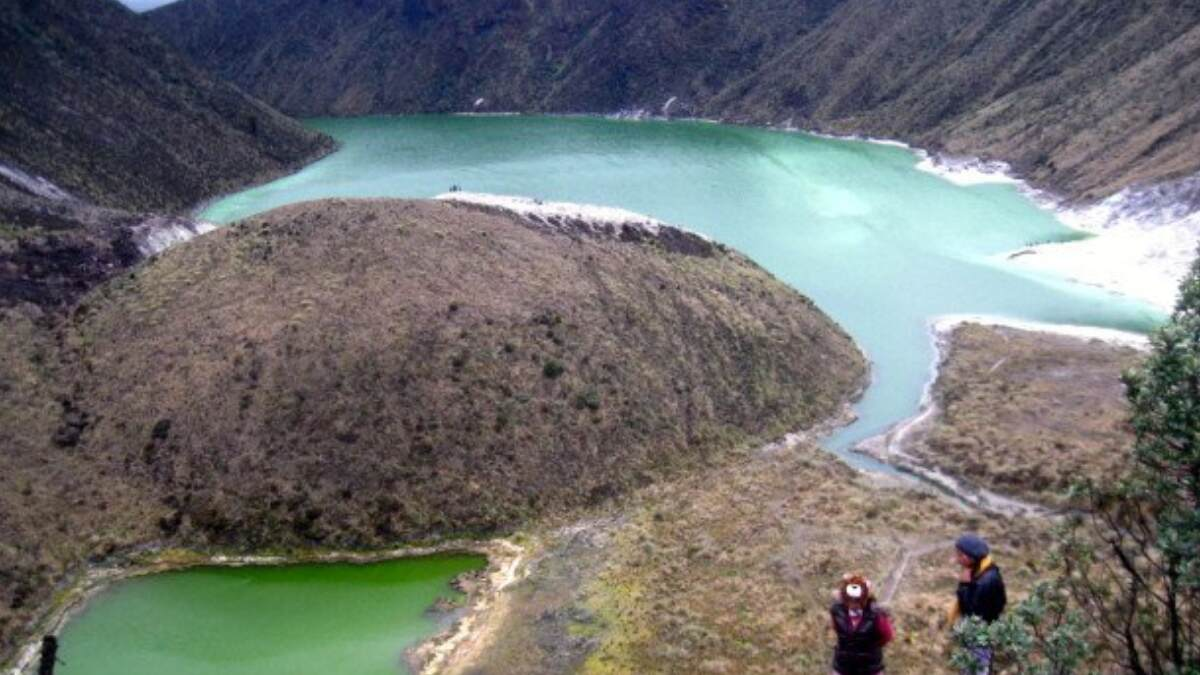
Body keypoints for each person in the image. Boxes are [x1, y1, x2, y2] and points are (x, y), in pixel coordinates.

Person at [948, 534, 1007, 674]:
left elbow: (971, 610)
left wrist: (964, 585)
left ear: (968, 558)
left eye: (959, 554)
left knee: (977, 668)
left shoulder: (985, 581)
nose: (956, 558)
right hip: (979, 631)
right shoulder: (982, 570)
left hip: (980, 635)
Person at [830, 573, 893, 674]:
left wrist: (869, 646)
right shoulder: (837, 611)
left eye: (857, 600)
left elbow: (887, 636)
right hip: (843, 667)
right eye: (850, 599)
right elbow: (836, 629)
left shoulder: (877, 614)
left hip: (870, 668)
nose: (853, 602)